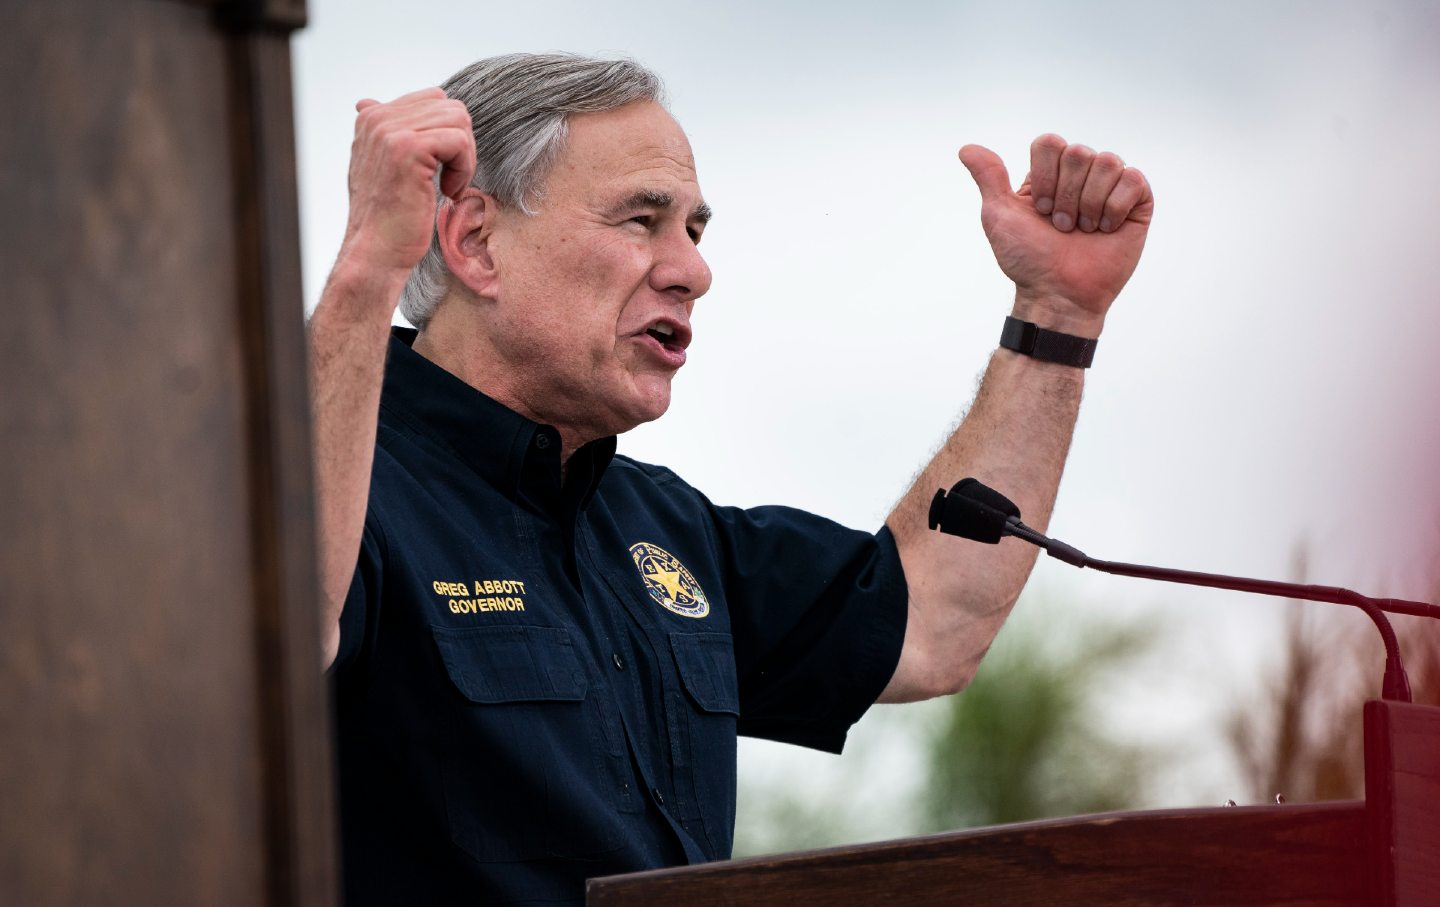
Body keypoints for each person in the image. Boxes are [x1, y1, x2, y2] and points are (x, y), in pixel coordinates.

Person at [310, 53, 1152, 905]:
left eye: (695, 231)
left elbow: (933, 621)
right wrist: (366, 270)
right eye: (642, 220)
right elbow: (264, 630)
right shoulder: (349, 492)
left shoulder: (665, 529)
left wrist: (1058, 313)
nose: (693, 271)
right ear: (474, 242)